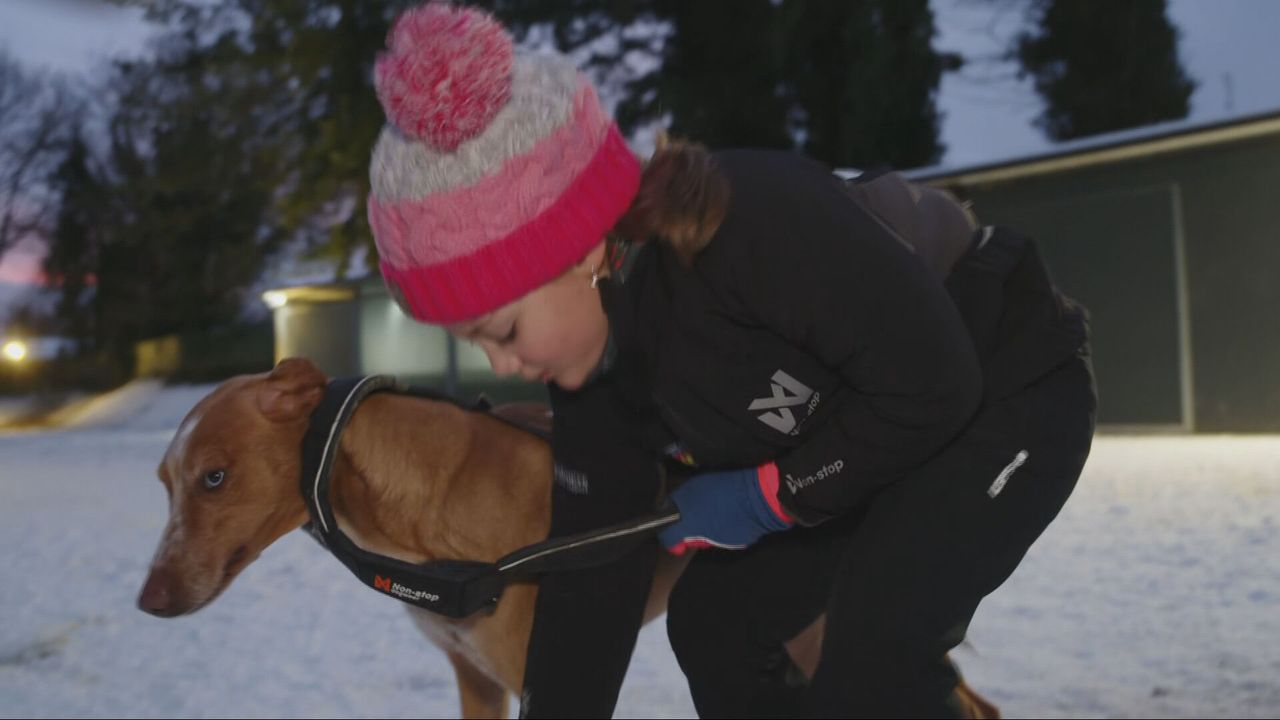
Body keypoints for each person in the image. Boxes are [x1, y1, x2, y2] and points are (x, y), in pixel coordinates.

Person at [366, 4, 1096, 718]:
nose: (503, 366)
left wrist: (770, 495)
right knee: (715, 623)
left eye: (503, 330)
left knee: (875, 652)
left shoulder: (752, 229)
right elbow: (593, 585)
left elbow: (934, 387)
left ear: (582, 252)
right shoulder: (596, 386)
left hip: (999, 386)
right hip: (866, 446)